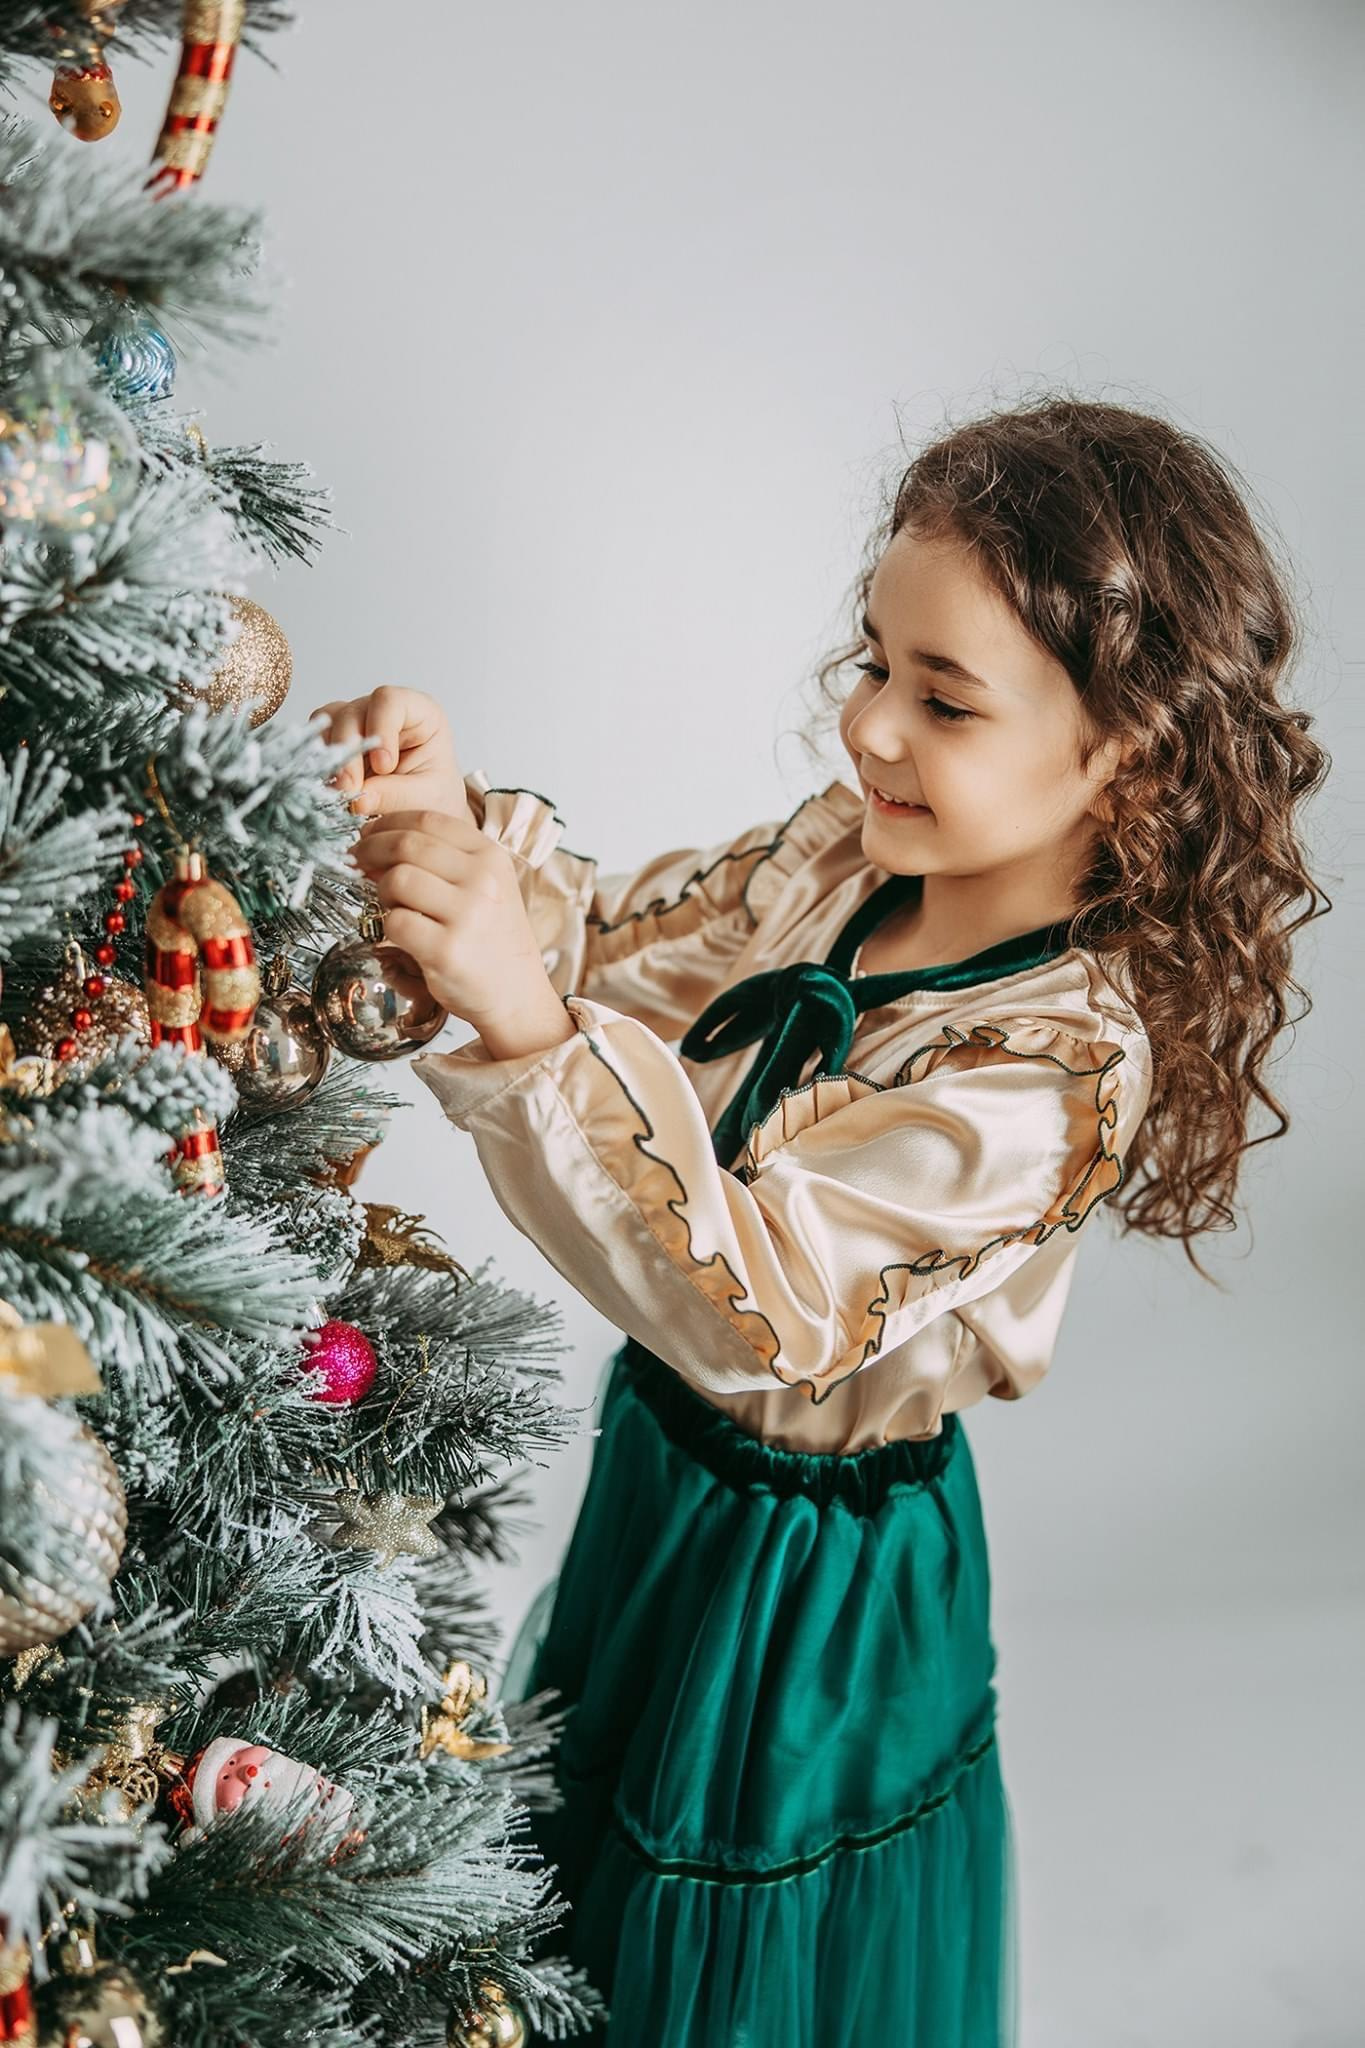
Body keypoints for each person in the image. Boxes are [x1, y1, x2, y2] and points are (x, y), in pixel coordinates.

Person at [314, 395, 1331, 2046]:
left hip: (815, 1578)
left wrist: (519, 1025)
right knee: (578, 1874)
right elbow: (605, 954)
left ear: (1122, 755)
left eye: (943, 699)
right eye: (873, 662)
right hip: (667, 1469)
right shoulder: (832, 865)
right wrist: (450, 833)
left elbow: (753, 1302)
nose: (866, 728)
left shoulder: (1053, 1071)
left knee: (724, 1957)